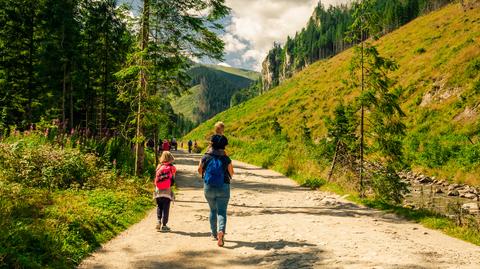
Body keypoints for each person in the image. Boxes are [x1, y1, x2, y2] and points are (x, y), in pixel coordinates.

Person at [198, 136, 234, 247]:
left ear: (212, 144)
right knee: (222, 212)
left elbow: (199, 170)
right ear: (224, 145)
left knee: (213, 210)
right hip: (223, 186)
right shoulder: (225, 158)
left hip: (208, 187)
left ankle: (214, 234)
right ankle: (221, 232)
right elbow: (231, 173)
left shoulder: (206, 156)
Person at [154, 151, 176, 232]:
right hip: (166, 190)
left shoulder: (159, 166)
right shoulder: (172, 167)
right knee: (166, 208)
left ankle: (158, 221)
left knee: (159, 206)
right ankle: (164, 225)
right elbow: (173, 180)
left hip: (158, 190)